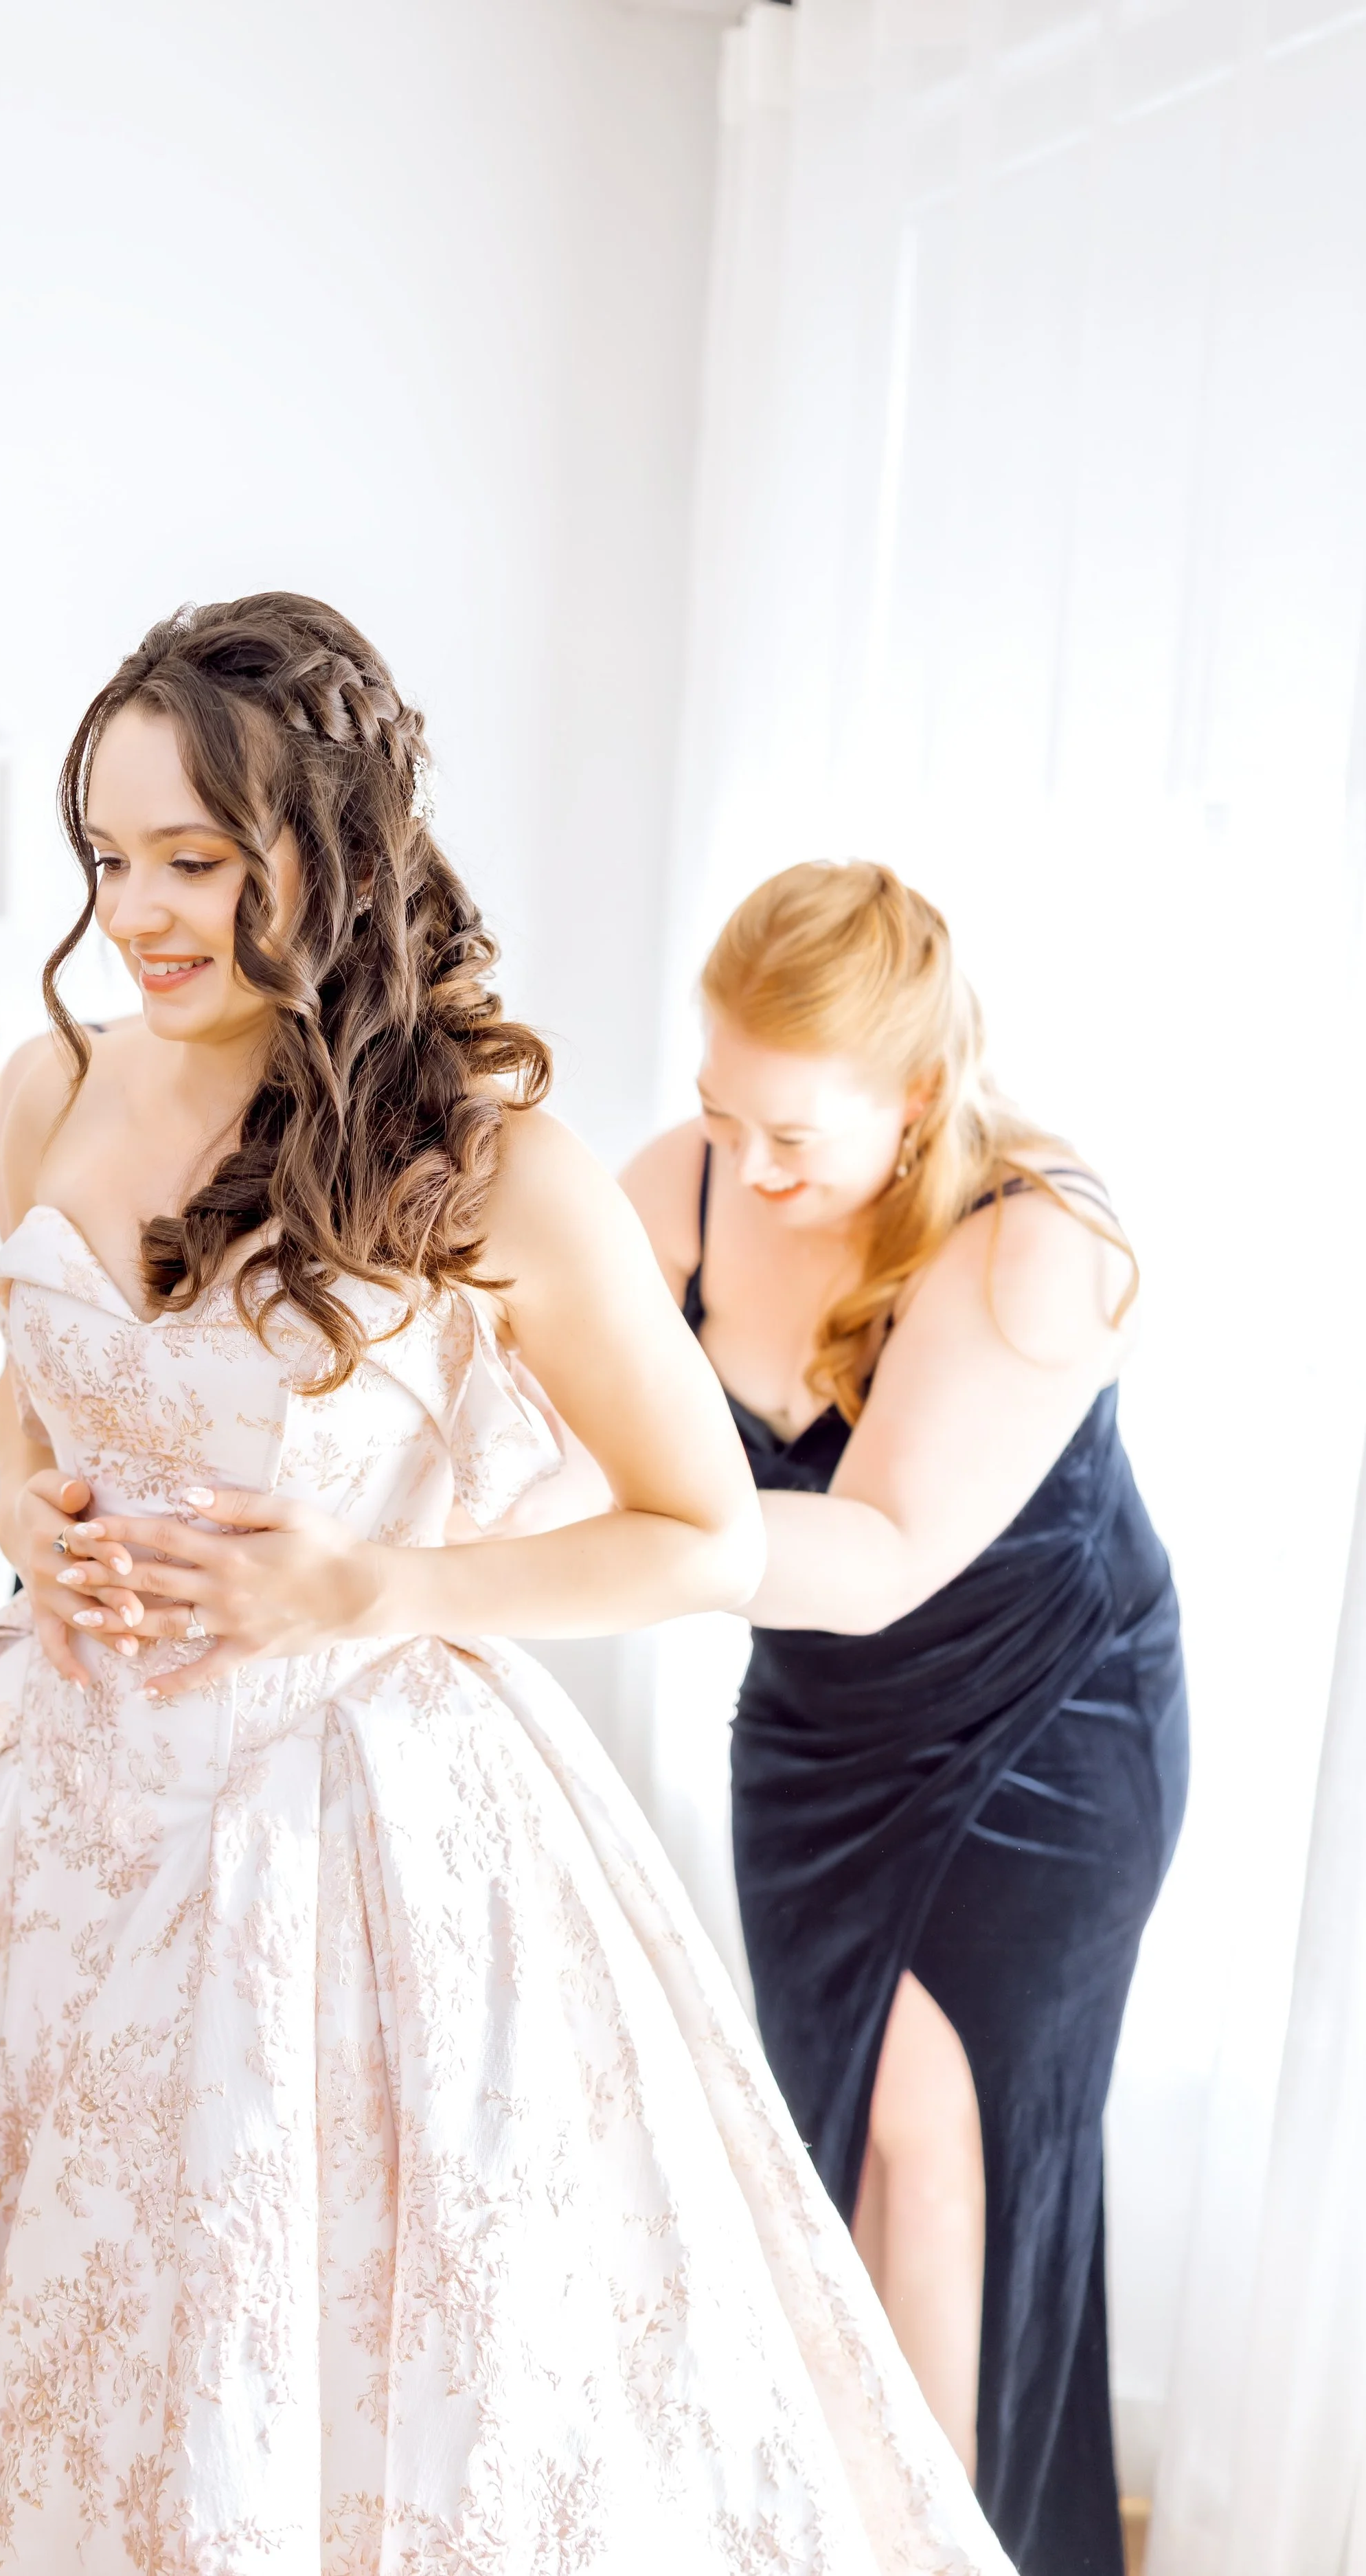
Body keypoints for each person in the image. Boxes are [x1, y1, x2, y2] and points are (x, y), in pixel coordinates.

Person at [0, 605, 1009, 2573]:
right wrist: (29, 1515)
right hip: (31, 1798)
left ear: (330, 848)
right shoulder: (45, 1089)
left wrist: (378, 1581)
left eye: (191, 860)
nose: (137, 912)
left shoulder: (485, 1159)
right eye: (107, 859)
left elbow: (698, 1529)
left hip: (338, 1828)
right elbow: (31, 1407)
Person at [622, 861, 1188, 2576]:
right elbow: (501, 1374)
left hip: (1043, 1738)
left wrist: (533, 1568)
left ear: (922, 1097)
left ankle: (925, 2544)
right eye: (722, 1111)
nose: (751, 1168)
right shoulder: (696, 1183)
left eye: (794, 1132)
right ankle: (841, 2517)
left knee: (937, 2146)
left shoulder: (1038, 1238)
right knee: (838, 2147)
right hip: (813, 1740)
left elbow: (867, 1555)